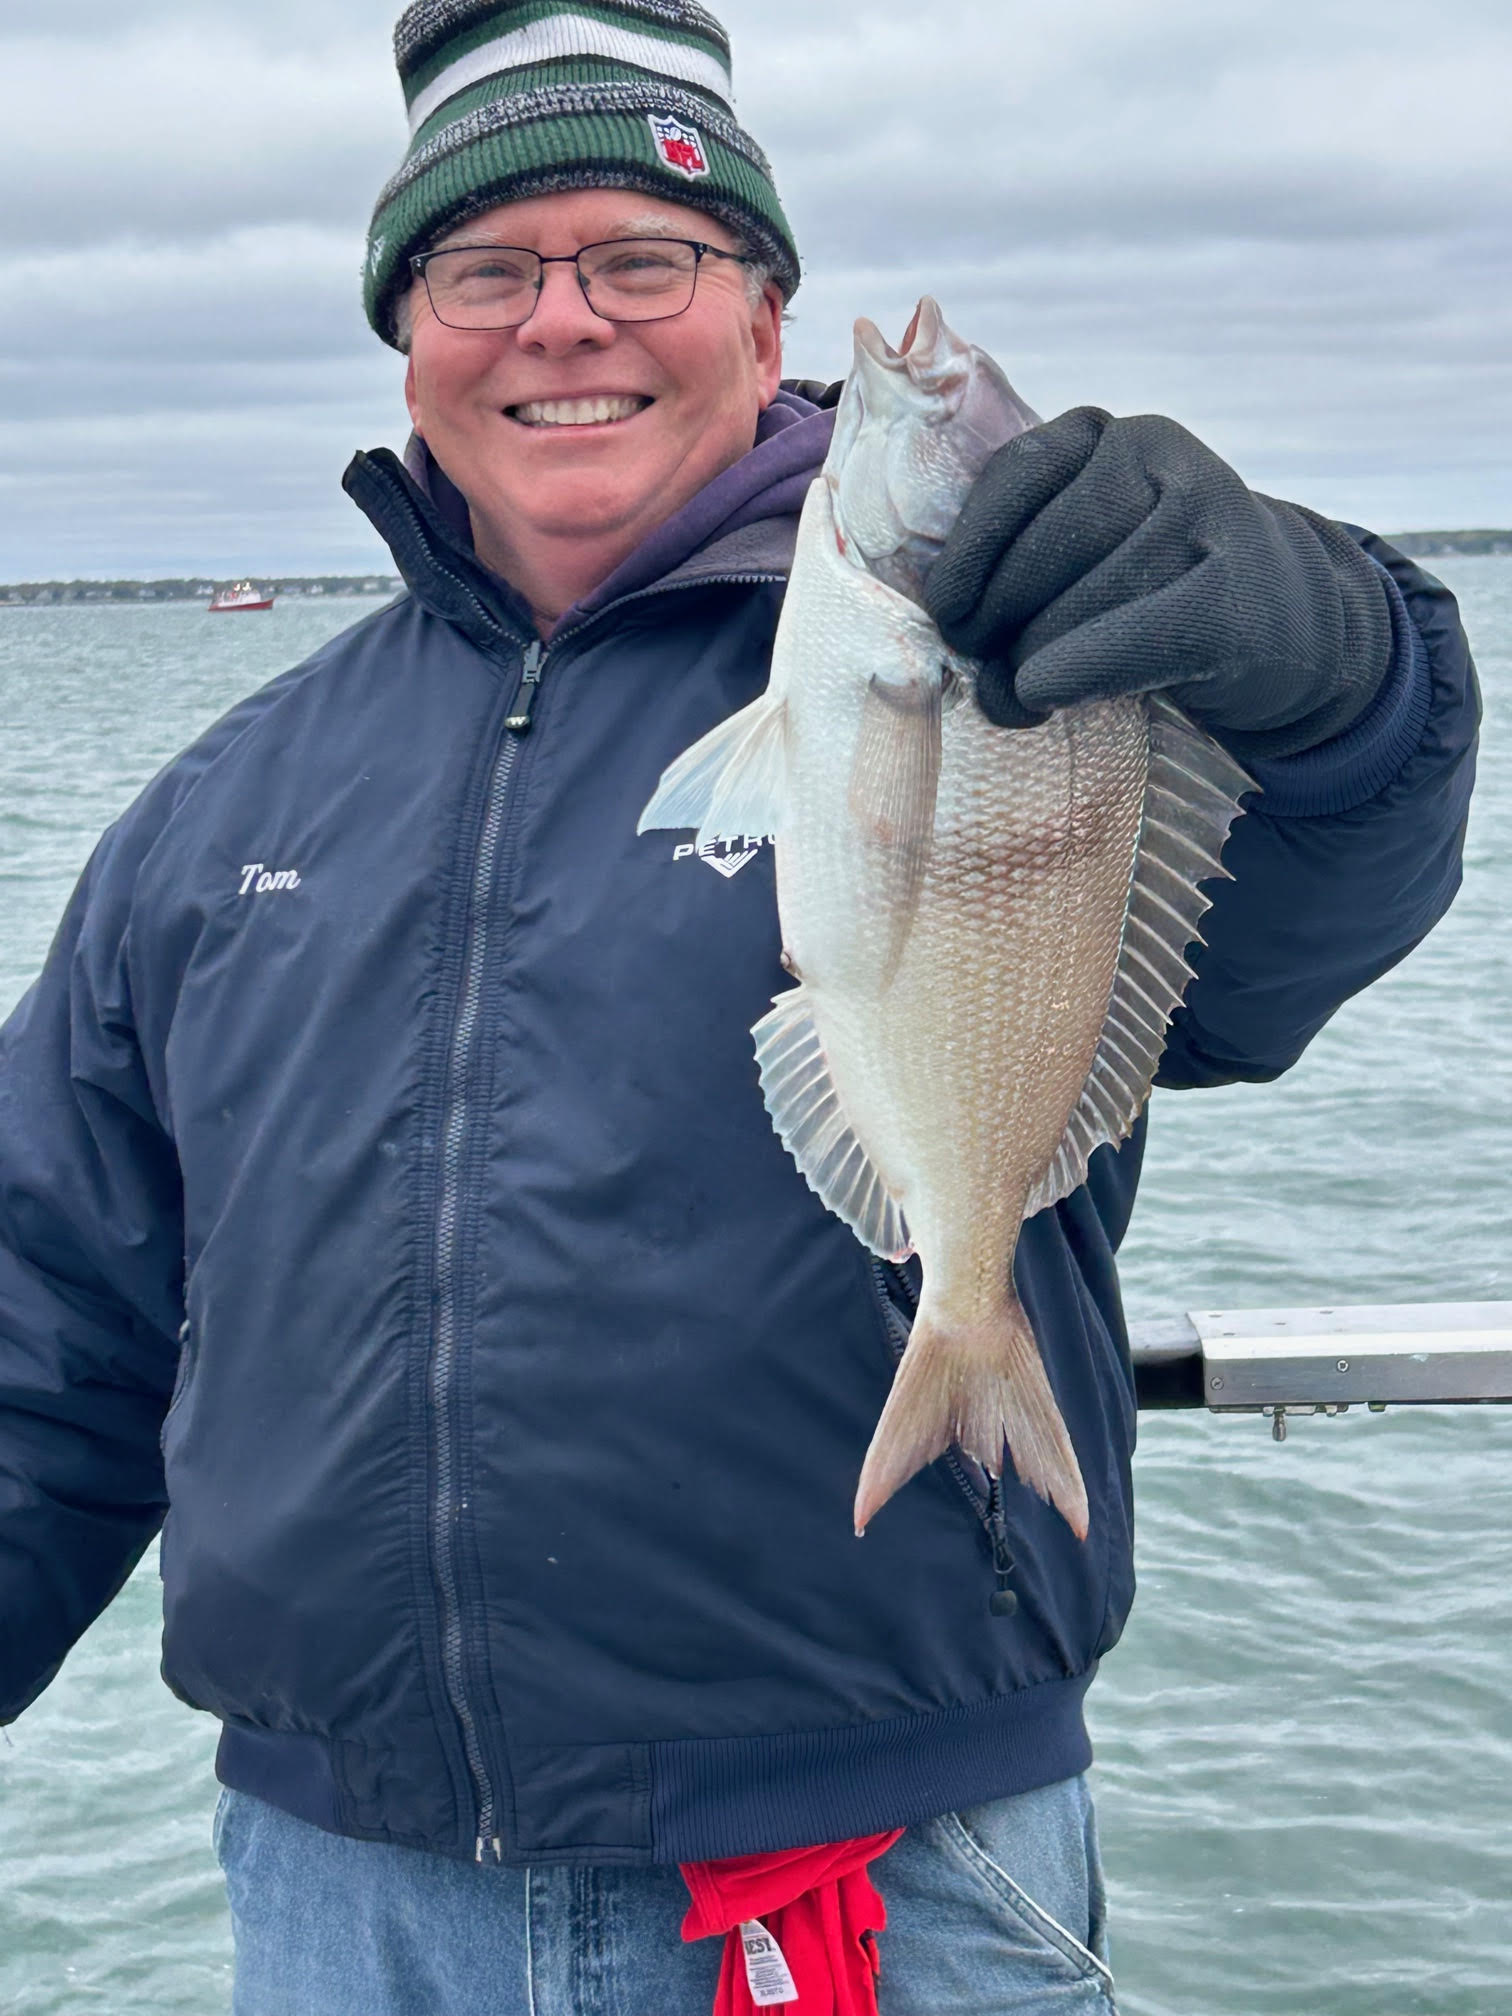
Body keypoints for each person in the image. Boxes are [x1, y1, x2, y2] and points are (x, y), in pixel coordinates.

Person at [0, 4, 1479, 2012]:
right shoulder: (225, 807)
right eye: (486, 271)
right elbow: (49, 1320)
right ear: (407, 332)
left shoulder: (1037, 675)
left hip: (883, 1872)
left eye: (643, 260)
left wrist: (1343, 661)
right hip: (337, 1894)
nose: (561, 323)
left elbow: (1283, 936)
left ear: (762, 317)